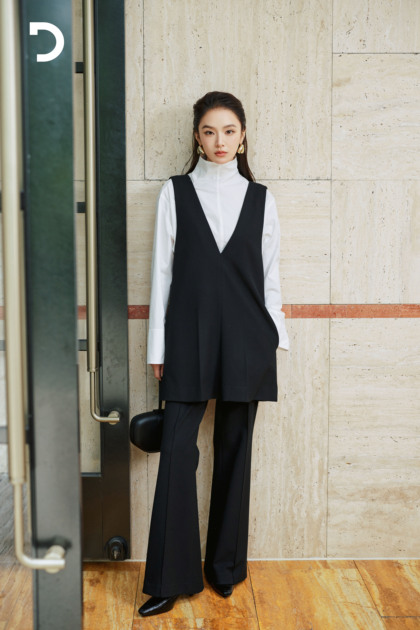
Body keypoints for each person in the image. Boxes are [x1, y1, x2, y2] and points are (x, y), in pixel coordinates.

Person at [138, 91, 289, 617]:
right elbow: (161, 274)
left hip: (249, 337)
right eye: (209, 131)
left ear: (242, 136)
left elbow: (271, 276)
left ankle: (225, 568)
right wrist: (157, 345)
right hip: (187, 337)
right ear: (197, 137)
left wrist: (276, 338)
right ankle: (169, 578)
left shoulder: (262, 199)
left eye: (229, 131)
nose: (219, 141)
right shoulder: (175, 192)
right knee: (177, 451)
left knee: (235, 450)